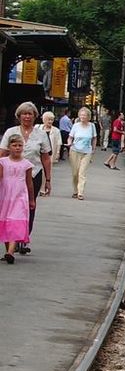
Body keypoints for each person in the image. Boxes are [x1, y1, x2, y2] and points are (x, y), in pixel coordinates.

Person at [0, 102, 52, 250]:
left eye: (30, 114)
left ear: (35, 116)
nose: (27, 116)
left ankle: (23, 237)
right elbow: (2, 153)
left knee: (29, 206)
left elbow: (46, 158)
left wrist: (48, 180)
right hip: (11, 176)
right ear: (19, 116)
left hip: (33, 174)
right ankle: (13, 237)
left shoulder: (41, 134)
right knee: (11, 207)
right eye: (24, 114)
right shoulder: (11, 132)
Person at [0, 134, 36, 264]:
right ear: (9, 147)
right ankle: (8, 251)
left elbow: (29, 183)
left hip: (20, 196)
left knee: (15, 221)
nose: (17, 148)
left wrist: (32, 199)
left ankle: (10, 252)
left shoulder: (26, 164)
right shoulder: (3, 162)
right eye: (14, 145)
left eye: (20, 145)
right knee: (6, 221)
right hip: (5, 196)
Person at [68, 107, 97, 200]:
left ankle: (80, 192)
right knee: (75, 173)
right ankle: (75, 191)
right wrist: (69, 143)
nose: (83, 117)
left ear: (88, 116)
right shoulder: (76, 126)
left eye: (84, 115)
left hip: (87, 152)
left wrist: (93, 149)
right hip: (75, 151)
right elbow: (70, 137)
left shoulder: (92, 126)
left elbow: (94, 138)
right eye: (81, 115)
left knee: (82, 173)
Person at [36, 112, 62, 196]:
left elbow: (59, 143)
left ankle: (43, 189)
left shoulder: (56, 130)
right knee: (38, 170)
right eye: (48, 119)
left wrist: (58, 153)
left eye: (52, 120)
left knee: (46, 171)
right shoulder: (37, 128)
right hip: (38, 152)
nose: (50, 121)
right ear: (44, 119)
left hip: (49, 153)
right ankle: (38, 187)